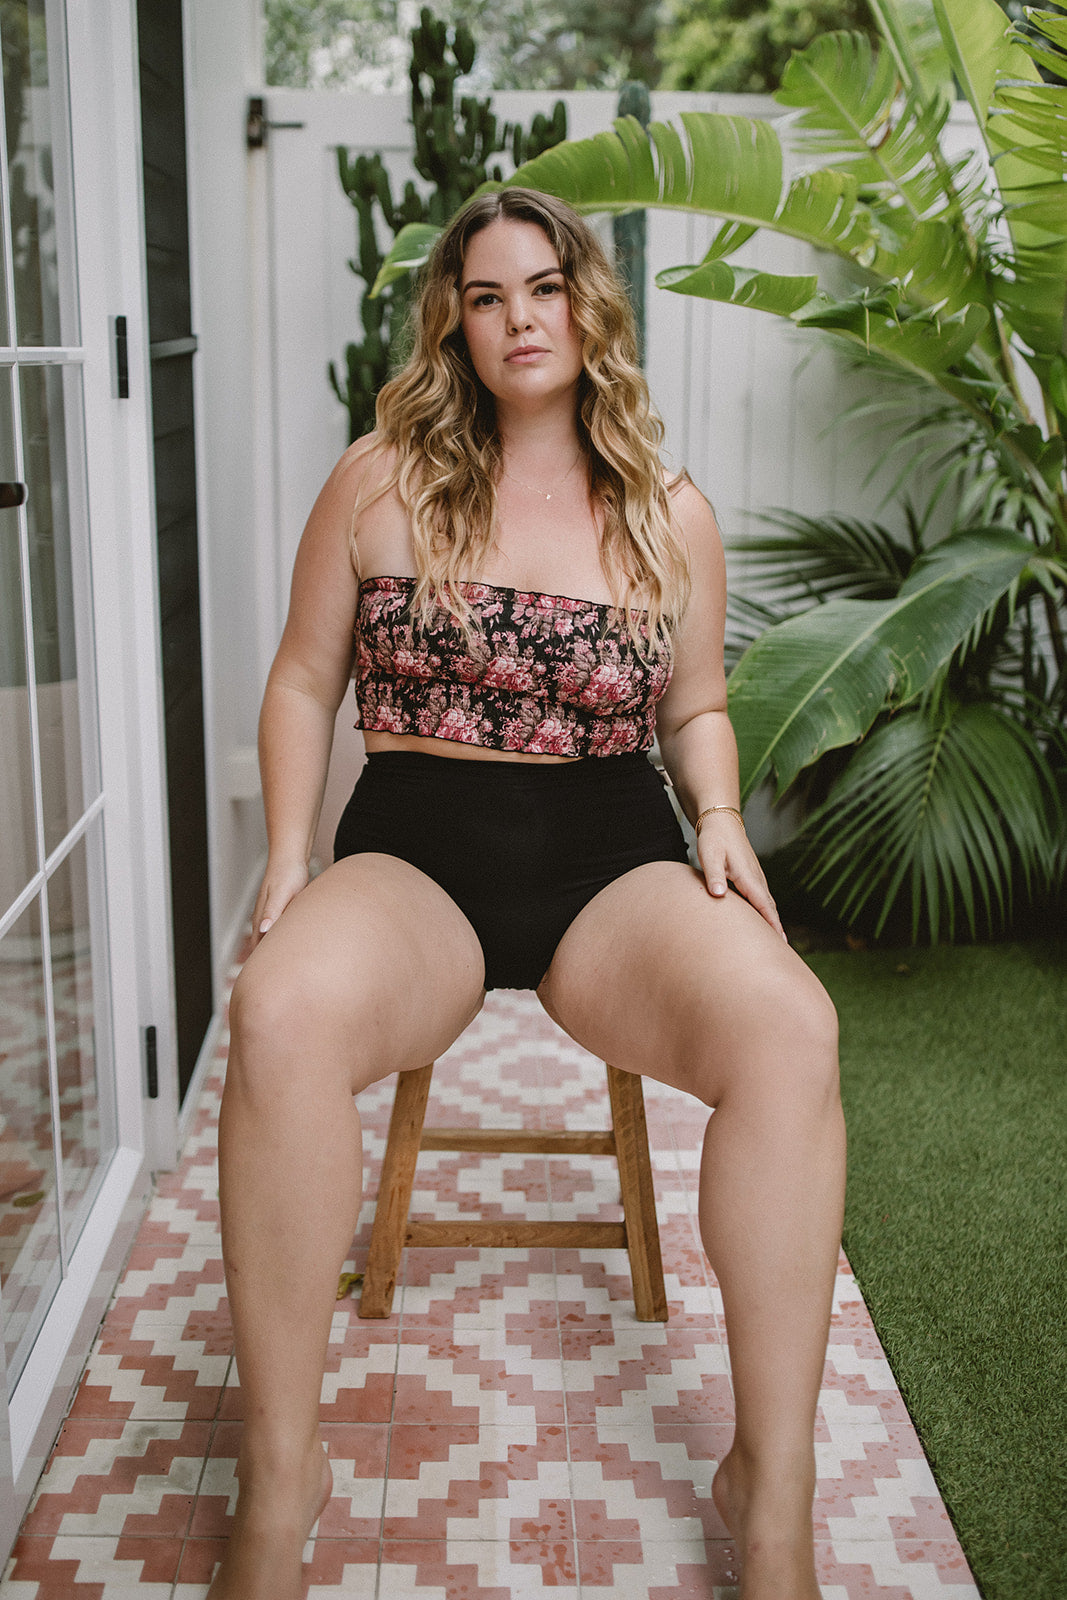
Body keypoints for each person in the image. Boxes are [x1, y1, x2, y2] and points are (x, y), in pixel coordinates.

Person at [209, 187, 845, 1600]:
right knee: (280, 1013)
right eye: (487, 296)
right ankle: (282, 1474)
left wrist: (725, 816)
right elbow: (308, 676)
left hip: (609, 866)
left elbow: (697, 706)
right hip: (414, 858)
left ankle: (776, 1487)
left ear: (588, 306)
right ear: (455, 320)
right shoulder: (378, 479)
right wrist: (294, 848)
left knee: (791, 1032)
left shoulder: (667, 510)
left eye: (544, 288)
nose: (519, 320)